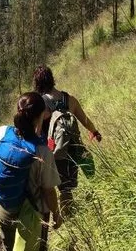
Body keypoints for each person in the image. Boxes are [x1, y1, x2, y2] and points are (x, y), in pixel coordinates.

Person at [0, 92, 63, 251]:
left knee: (9, 247)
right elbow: (48, 191)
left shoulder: (2, 132)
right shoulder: (41, 152)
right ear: (40, 116)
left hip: (4, 210)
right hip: (30, 216)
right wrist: (56, 214)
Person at [33, 65, 102, 217]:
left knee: (62, 189)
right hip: (73, 148)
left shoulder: (42, 104)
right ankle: (74, 214)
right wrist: (95, 132)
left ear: (37, 83)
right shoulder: (69, 99)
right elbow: (85, 120)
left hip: (55, 152)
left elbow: (37, 131)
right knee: (68, 187)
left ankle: (68, 218)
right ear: (52, 79)